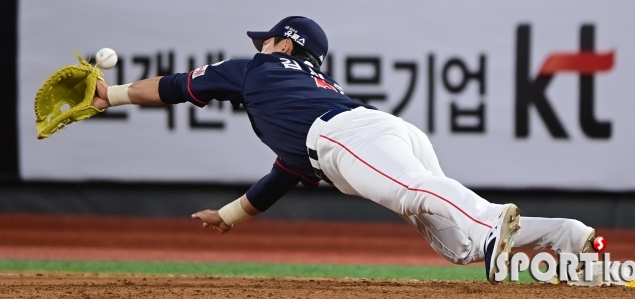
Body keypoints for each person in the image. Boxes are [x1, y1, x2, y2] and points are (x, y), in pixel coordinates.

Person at [91, 16, 595, 284]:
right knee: (457, 246)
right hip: (371, 132)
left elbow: (173, 86)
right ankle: (565, 235)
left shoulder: (255, 69)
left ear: (283, 46)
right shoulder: (307, 88)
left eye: (266, 40)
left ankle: (491, 224)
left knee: (421, 196)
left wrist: (110, 96)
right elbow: (284, 173)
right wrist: (229, 215)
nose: (260, 45)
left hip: (343, 136)